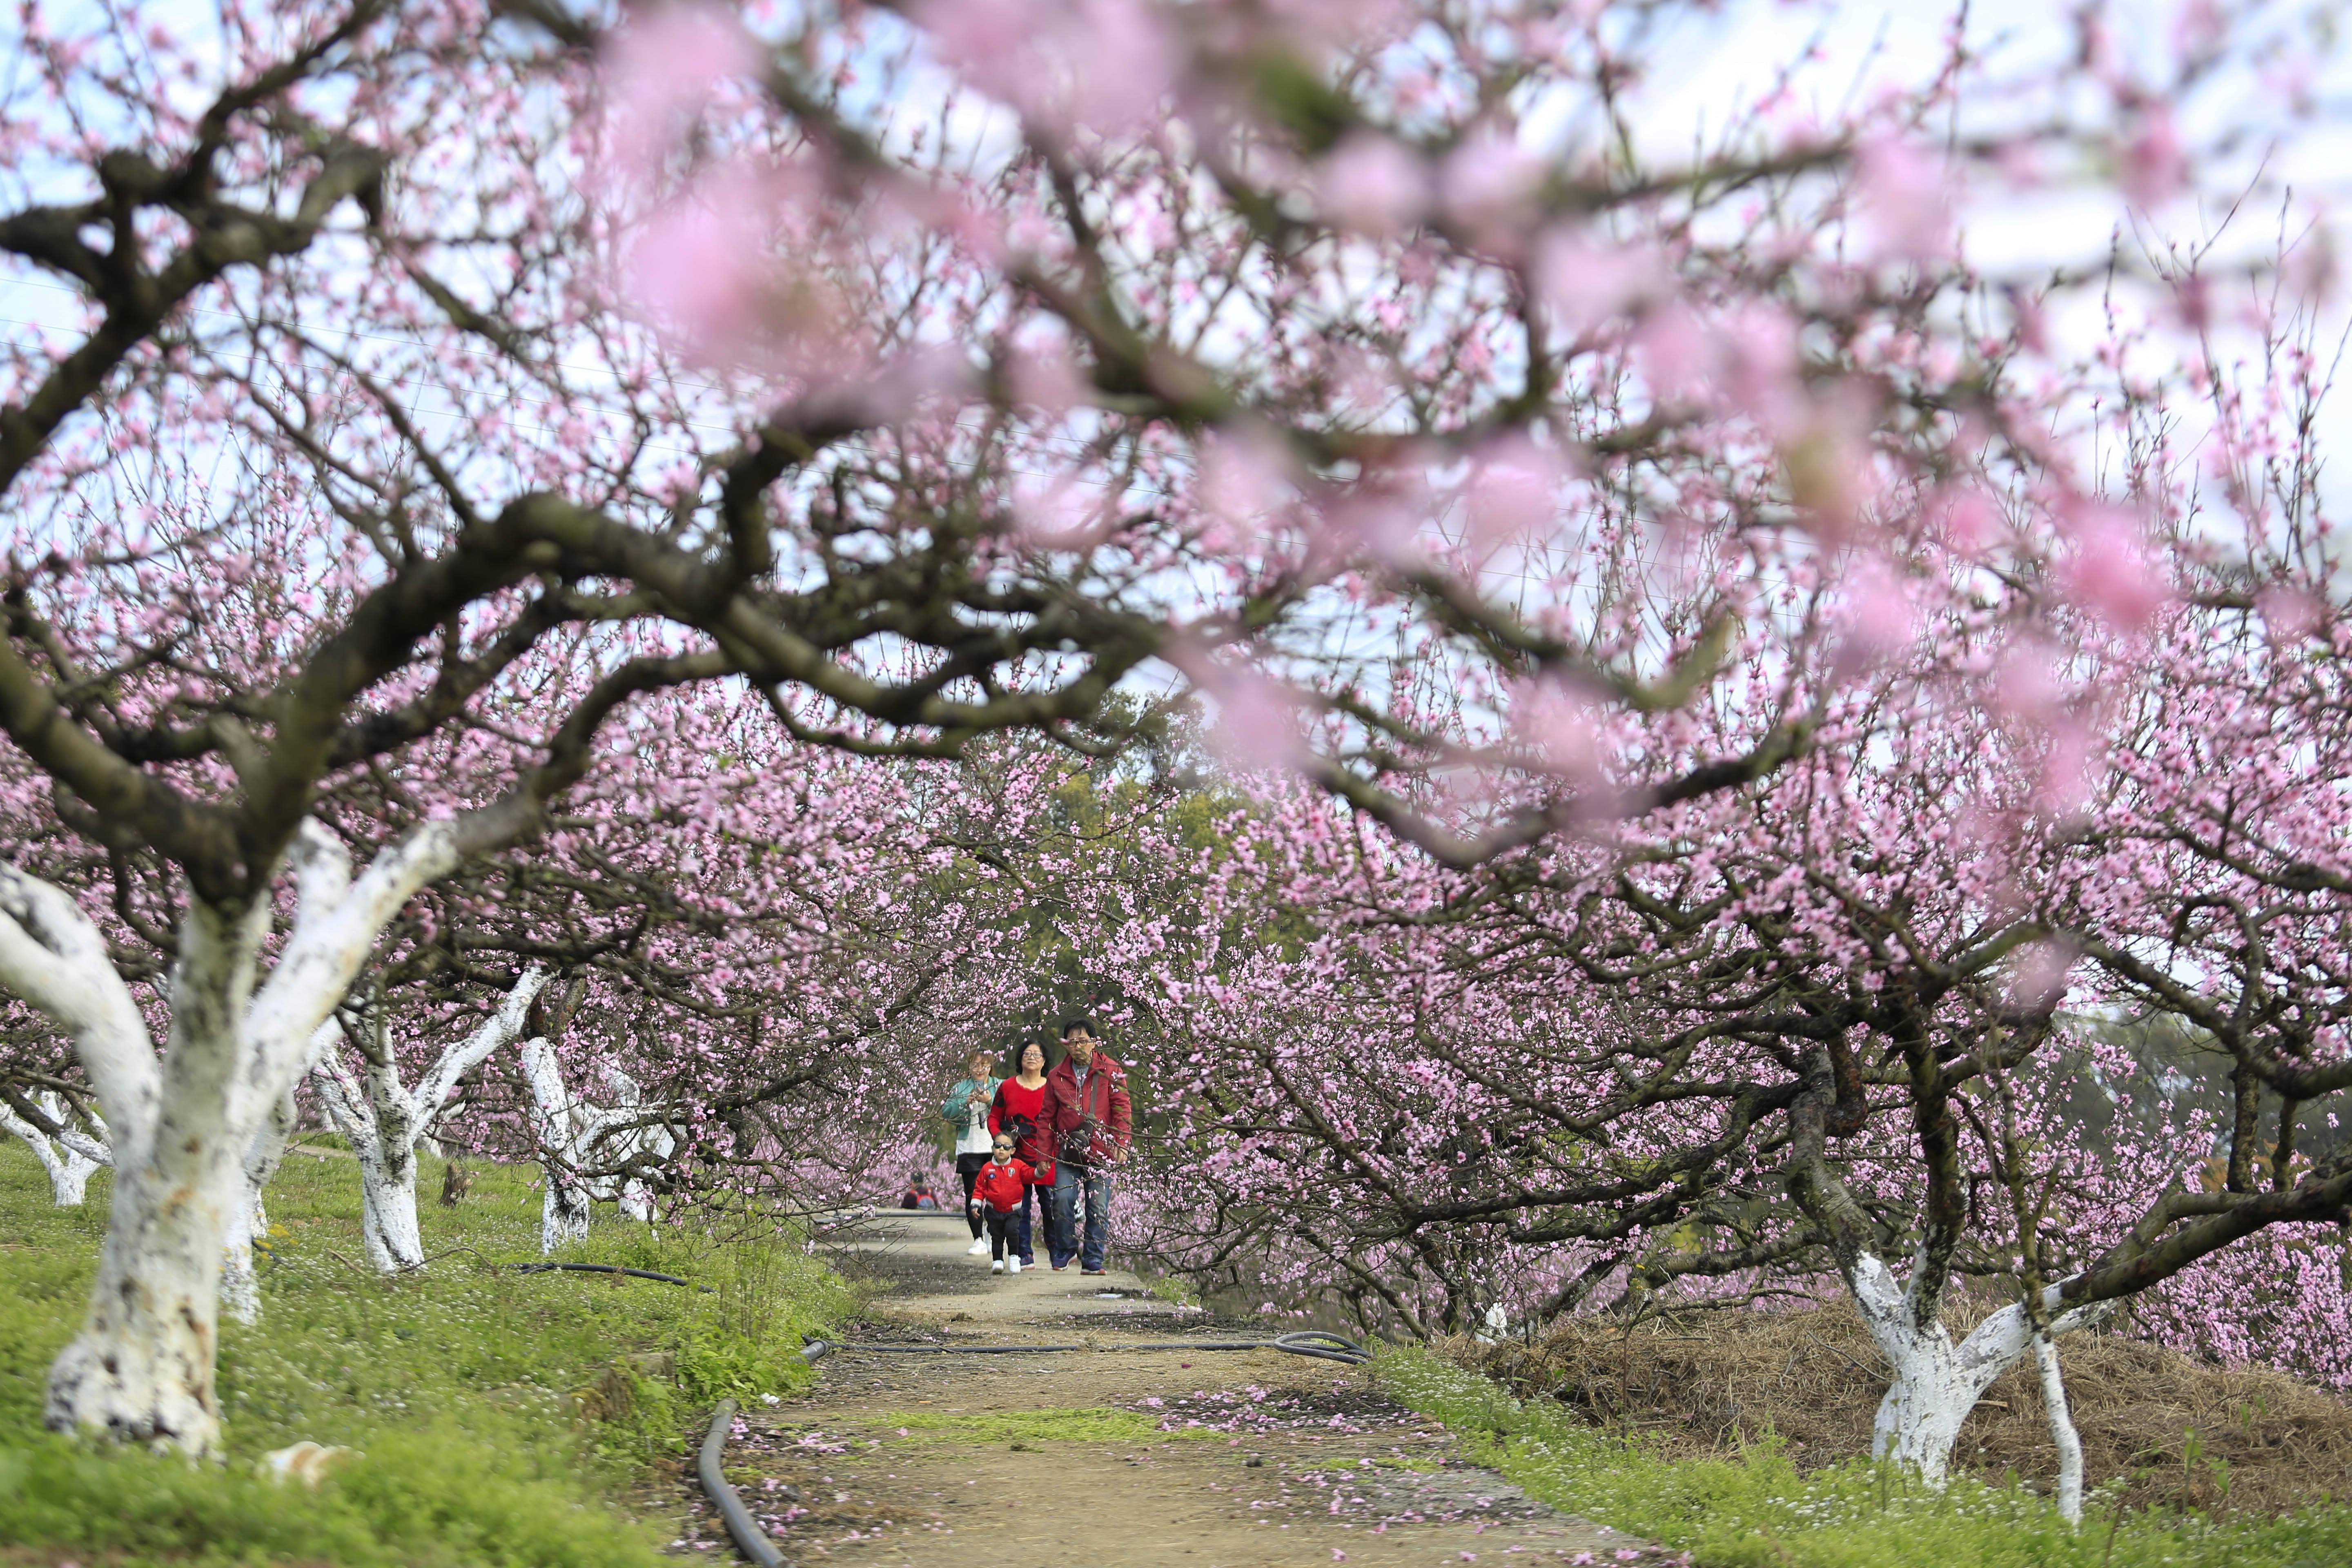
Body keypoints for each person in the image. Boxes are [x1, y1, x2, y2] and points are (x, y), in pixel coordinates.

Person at [1041, 1016, 1131, 1275]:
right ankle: (1066, 1249)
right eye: (1072, 1041)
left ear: (1094, 1043)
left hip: (1102, 1150)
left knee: (1098, 1207)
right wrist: (1044, 1155)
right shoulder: (1056, 1076)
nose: (1077, 1045)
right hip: (1068, 1151)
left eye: (1083, 1040)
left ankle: (1093, 1259)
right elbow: (1046, 1117)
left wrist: (1122, 1143)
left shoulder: (1111, 1070)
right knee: (1061, 1199)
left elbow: (1122, 1109)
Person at [988, 1040, 1054, 1267]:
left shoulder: (1053, 1087)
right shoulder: (1007, 1087)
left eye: (1037, 1054)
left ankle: (1056, 1250)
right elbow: (994, 1117)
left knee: (1051, 1206)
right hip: (1015, 1158)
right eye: (1027, 1053)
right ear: (1020, 1059)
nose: (1032, 1057)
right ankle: (1024, 1253)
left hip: (1047, 1157)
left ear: (1045, 1061)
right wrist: (1002, 1141)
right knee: (1020, 1208)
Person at [939, 1048, 1004, 1256]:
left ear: (991, 1067)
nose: (979, 1069)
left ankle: (993, 1232)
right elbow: (946, 1113)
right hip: (969, 1147)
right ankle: (978, 1239)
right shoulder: (960, 1087)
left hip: (996, 1147)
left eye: (984, 1065)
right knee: (972, 1195)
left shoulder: (999, 1085)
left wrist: (989, 1101)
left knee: (997, 1194)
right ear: (969, 1067)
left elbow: (1009, 1110)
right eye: (975, 1065)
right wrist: (964, 1103)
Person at [966, 1132, 1036, 1274]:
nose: (1002, 1150)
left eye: (1006, 1147)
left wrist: (1039, 1171)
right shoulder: (987, 1168)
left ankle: (1014, 1257)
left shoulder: (1018, 1166)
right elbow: (980, 1188)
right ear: (993, 1148)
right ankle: (997, 1260)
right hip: (994, 1210)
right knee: (997, 1237)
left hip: (1013, 1211)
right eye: (998, 1146)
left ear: (1013, 1150)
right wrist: (975, 1205)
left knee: (1012, 1232)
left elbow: (1029, 1175)